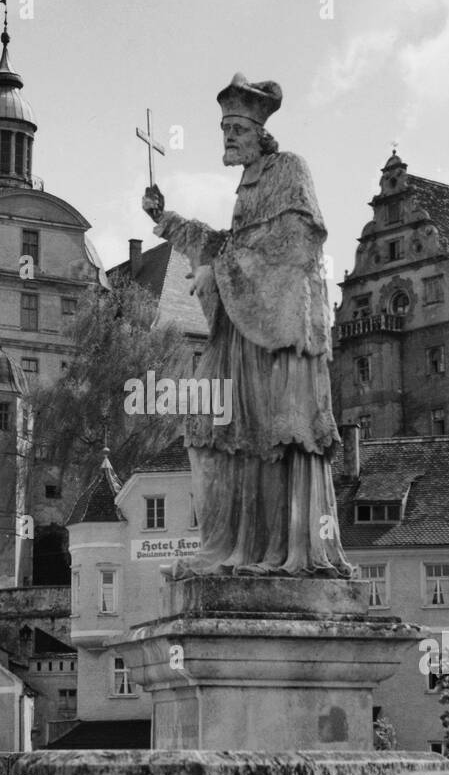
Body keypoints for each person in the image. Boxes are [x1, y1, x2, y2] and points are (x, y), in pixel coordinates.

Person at [143, 73, 354, 577]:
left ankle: (283, 551)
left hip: (281, 334)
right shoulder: (248, 182)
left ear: (261, 131)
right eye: (224, 129)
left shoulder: (290, 169)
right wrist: (167, 220)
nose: (229, 137)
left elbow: (294, 243)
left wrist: (226, 270)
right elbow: (231, 244)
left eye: (237, 128)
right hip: (245, 329)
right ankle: (240, 547)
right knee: (225, 430)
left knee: (279, 437)